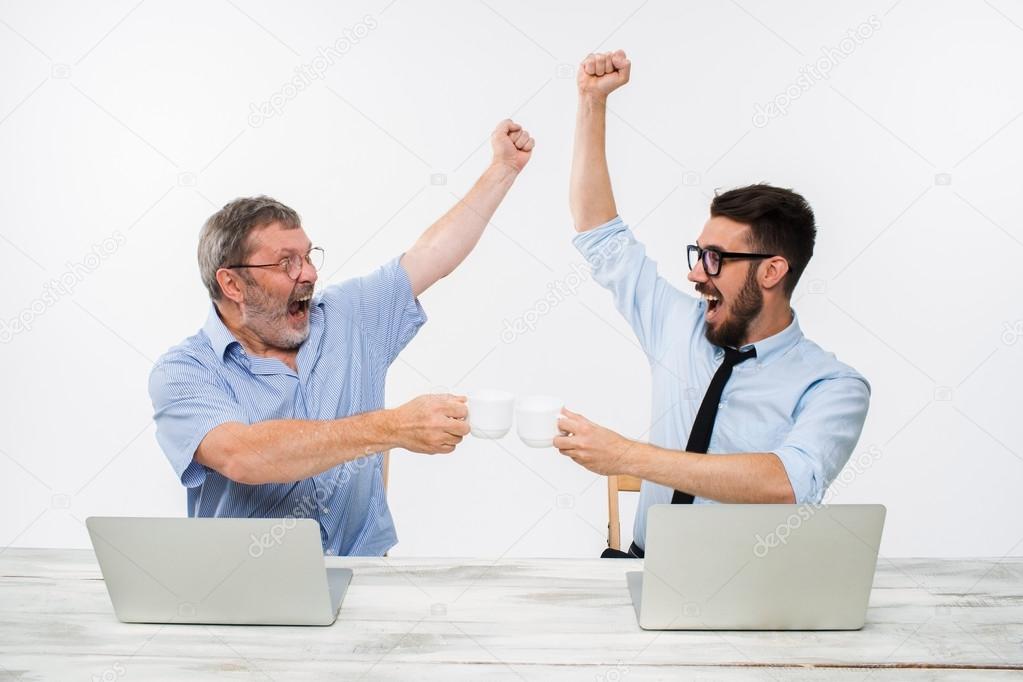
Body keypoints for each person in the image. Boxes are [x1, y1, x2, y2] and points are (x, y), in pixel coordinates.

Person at [149, 120, 535, 556]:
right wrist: (393, 427)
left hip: (367, 579)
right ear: (233, 285)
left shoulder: (348, 317)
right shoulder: (184, 372)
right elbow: (243, 456)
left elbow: (433, 255)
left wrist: (502, 169)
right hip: (247, 590)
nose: (309, 273)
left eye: (309, 256)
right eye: (286, 263)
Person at [553, 50, 870, 558]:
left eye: (716, 259)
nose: (696, 273)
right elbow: (599, 233)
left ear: (772, 270)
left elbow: (787, 481)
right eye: (699, 254)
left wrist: (626, 455)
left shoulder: (833, 386)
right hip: (642, 568)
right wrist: (591, 103)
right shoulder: (676, 324)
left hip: (748, 588)